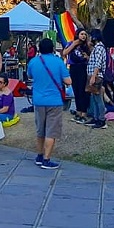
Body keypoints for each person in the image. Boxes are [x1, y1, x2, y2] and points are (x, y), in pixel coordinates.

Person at [27, 38, 71, 170]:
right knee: (51, 131)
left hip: (38, 100)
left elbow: (30, 76)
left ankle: (39, 156)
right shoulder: (58, 62)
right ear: (53, 48)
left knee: (40, 130)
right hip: (54, 101)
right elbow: (68, 81)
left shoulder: (33, 62)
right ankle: (46, 159)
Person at [63, 29, 91, 124]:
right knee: (76, 90)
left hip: (83, 68)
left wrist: (87, 57)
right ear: (77, 34)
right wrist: (74, 44)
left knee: (83, 91)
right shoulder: (71, 43)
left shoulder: (87, 46)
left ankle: (84, 112)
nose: (83, 36)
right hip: (74, 68)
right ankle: (78, 111)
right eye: (81, 34)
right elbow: (65, 53)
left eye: (85, 34)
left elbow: (91, 58)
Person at [85, 29, 108, 129]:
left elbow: (98, 63)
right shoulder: (97, 48)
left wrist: (93, 76)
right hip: (92, 75)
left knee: (98, 98)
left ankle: (101, 119)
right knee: (94, 97)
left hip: (96, 76)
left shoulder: (99, 48)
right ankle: (96, 117)